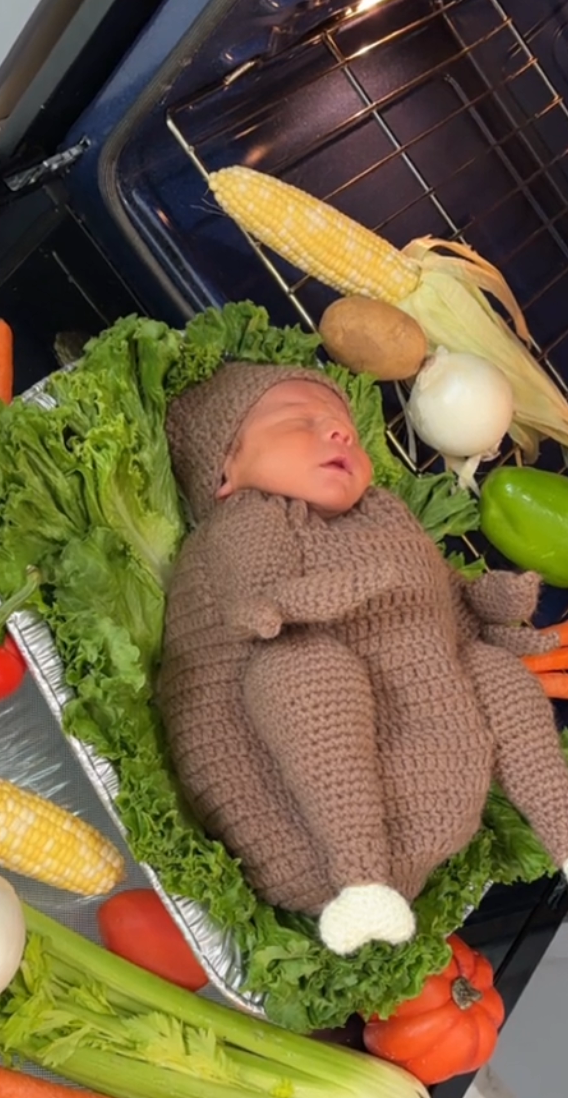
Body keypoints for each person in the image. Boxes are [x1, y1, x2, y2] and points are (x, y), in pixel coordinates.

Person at [158, 362, 568, 956]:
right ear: (225, 470)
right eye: (301, 421)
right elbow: (255, 601)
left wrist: (479, 606)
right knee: (301, 666)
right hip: (284, 798)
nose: (337, 432)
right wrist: (327, 593)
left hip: (428, 782)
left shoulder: (384, 516)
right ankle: (360, 881)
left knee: (492, 672)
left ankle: (560, 827)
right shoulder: (246, 520)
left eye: (344, 425)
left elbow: (435, 605)